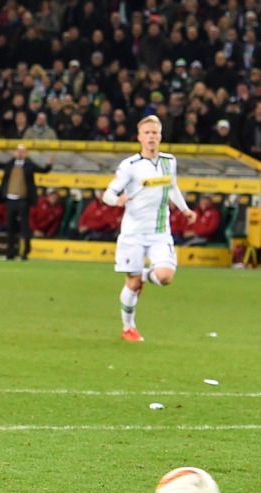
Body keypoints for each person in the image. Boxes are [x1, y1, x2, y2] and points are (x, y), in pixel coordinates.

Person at [101, 115, 196, 342]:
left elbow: (172, 187)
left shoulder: (169, 161)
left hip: (160, 232)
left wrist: (185, 210)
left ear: (160, 136)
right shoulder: (129, 166)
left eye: (155, 132)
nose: (151, 137)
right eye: (147, 133)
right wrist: (118, 201)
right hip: (133, 234)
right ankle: (128, 328)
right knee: (131, 285)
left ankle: (145, 275)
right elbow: (107, 195)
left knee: (164, 277)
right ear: (139, 137)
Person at [0, 139, 52, 261]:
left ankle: (25, 252)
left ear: (26, 153)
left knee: (24, 227)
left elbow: (43, 171)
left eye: (23, 151)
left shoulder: (29, 166)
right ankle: (10, 253)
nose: (20, 153)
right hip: (10, 200)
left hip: (23, 200)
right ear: (15, 153)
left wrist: (49, 164)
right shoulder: (10, 164)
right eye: (18, 151)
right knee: (10, 227)